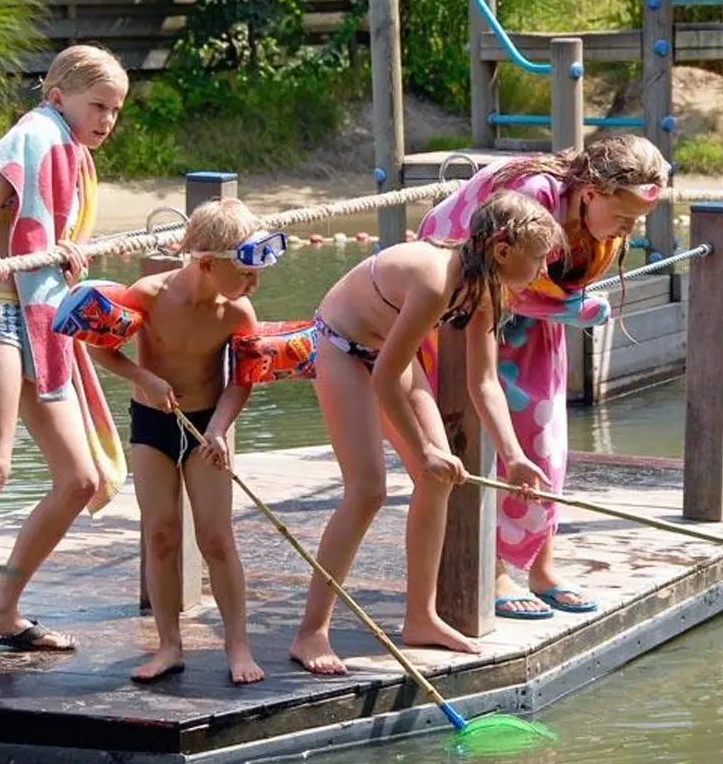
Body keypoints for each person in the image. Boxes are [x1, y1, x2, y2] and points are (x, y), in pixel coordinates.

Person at [289, 190, 560, 675]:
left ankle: (421, 617)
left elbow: (484, 383)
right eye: (537, 259)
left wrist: (514, 455)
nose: (542, 272)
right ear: (502, 251)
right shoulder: (436, 282)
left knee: (437, 478)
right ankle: (312, 631)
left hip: (384, 353)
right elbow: (384, 379)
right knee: (367, 490)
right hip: (340, 346)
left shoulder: (485, 291)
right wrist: (424, 450)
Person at [417, 135, 668, 619]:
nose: (627, 231)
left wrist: (565, 305)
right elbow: (492, 270)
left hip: (537, 319)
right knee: (488, 438)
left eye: (635, 222)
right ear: (591, 192)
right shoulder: (532, 195)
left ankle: (540, 564)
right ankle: (492, 570)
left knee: (546, 440)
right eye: (624, 217)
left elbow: (557, 276)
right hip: (469, 307)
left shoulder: (592, 216)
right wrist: (567, 306)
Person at [89, 198, 282, 684]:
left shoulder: (238, 310)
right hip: (152, 424)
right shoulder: (149, 295)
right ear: (205, 263)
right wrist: (144, 379)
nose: (254, 284)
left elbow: (242, 379)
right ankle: (169, 645)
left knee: (216, 537)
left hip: (206, 426)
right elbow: (102, 349)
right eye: (244, 272)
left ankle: (237, 645)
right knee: (160, 534)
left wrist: (218, 427)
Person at [0, 45, 129, 662]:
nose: (106, 120)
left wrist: (66, 249)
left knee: (80, 479)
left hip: (43, 322)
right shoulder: (32, 134)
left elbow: (45, 228)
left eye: (116, 111)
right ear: (56, 97)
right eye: (97, 105)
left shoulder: (75, 158)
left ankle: (1, 609)